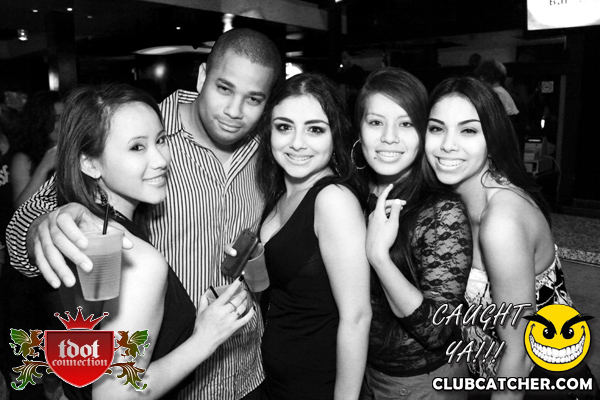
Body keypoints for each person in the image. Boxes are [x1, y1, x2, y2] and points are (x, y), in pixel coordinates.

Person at [6, 28, 282, 400]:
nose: (235, 111)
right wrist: (45, 223)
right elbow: (27, 224)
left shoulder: (270, 151)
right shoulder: (142, 126)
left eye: (254, 99)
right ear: (203, 75)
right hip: (173, 381)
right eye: (224, 88)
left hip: (245, 368)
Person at [53, 83, 254, 399]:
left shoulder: (80, 233)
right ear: (90, 163)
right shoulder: (137, 259)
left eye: (160, 140)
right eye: (137, 147)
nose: (160, 159)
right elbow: (116, 395)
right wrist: (204, 339)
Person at [425, 77, 573, 399]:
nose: (448, 144)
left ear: (492, 139)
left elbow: (519, 354)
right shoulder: (453, 203)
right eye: (436, 128)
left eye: (468, 130)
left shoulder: (501, 222)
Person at [353, 68, 472, 399]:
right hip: (362, 372)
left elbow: (437, 330)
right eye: (376, 122)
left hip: (422, 382)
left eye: (405, 124)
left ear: (423, 133)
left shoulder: (441, 211)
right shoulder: (352, 193)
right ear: (359, 129)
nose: (389, 137)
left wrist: (379, 257)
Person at [256, 73, 371, 399]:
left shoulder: (333, 200)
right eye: (284, 127)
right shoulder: (282, 190)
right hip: (277, 379)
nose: (297, 143)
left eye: (315, 129)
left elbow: (357, 317)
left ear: (335, 135)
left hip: (316, 383)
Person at [11, 90, 62, 208]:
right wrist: (44, 167)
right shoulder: (23, 159)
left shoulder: (74, 150)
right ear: (41, 121)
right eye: (56, 119)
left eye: (65, 118)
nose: (62, 124)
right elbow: (20, 208)